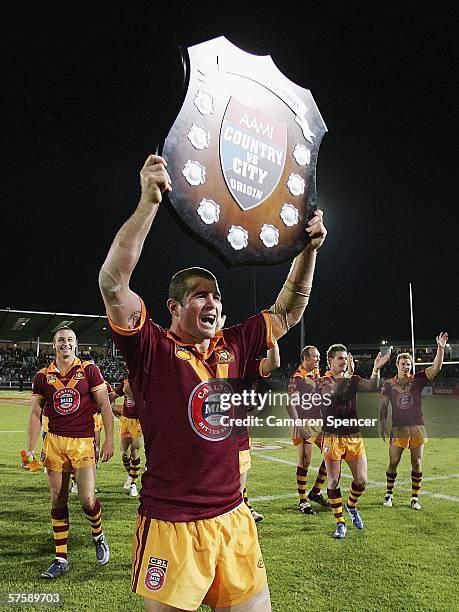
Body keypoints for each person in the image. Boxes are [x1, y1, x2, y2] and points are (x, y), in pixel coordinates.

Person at [98, 153, 327, 611]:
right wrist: (147, 204)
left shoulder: (236, 343)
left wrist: (308, 250)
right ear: (173, 307)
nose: (214, 303)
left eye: (217, 297)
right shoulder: (152, 349)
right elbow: (113, 283)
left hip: (234, 518)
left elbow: (289, 309)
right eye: (201, 295)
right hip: (172, 524)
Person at [27, 327, 114, 578]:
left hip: (84, 442)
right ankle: (60, 558)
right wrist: (31, 448)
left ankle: (98, 534)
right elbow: (35, 414)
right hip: (54, 442)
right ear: (53, 345)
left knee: (87, 499)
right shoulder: (43, 376)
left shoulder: (89, 370)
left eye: (69, 340)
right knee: (58, 499)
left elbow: (105, 405)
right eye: (61, 340)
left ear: (76, 344)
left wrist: (108, 440)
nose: (65, 343)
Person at [319, 343, 390, 539]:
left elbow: (372, 386)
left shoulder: (353, 379)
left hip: (353, 436)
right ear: (331, 361)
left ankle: (350, 506)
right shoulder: (323, 381)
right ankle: (340, 522)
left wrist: (375, 369)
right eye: (340, 358)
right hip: (332, 437)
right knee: (333, 481)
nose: (344, 361)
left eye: (345, 358)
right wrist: (350, 378)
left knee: (361, 480)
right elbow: (335, 394)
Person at [379, 333, 448, 510]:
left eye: (408, 364)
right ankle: (389, 495)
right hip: (398, 428)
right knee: (393, 461)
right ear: (397, 365)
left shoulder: (417, 379)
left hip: (417, 426)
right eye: (403, 364)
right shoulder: (388, 383)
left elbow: (435, 368)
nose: (406, 366)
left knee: (416, 463)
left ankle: (415, 498)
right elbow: (383, 407)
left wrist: (440, 348)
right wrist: (382, 424)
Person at [240, 341, 281, 523]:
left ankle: (245, 507)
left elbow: (273, 363)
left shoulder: (247, 364)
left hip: (239, 430)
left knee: (239, 472)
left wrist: (272, 339)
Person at [288, 345, 329, 516]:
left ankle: (316, 491)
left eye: (319, 356)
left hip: (319, 422)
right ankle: (303, 500)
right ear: (306, 358)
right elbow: (290, 404)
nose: (318, 359)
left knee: (332, 454)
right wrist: (299, 425)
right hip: (304, 422)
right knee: (305, 460)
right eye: (315, 356)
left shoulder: (316, 374)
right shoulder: (297, 378)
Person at [113, 378, 144, 497]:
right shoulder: (125, 382)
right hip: (125, 421)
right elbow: (113, 396)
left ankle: (133, 485)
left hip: (138, 422)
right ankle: (131, 475)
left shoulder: (144, 382)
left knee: (135, 451)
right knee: (125, 455)